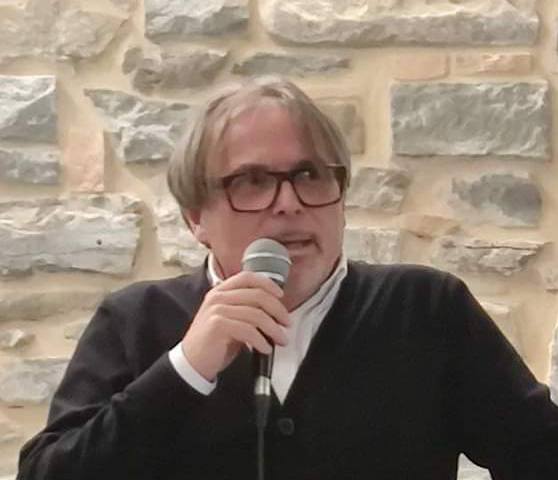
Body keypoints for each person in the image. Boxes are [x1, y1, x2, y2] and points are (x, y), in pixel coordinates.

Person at [17, 76, 558, 480]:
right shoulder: (135, 321)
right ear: (195, 217)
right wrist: (185, 370)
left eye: (309, 175)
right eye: (252, 182)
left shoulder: (424, 309)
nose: (289, 203)